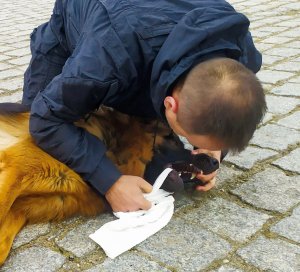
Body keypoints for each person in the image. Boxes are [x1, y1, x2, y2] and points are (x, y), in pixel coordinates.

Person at [22, 0, 266, 212]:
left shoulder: (241, 52)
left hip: (139, 27)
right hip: (86, 13)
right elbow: (45, 118)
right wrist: (110, 183)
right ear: (170, 105)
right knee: (31, 124)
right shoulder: (105, 59)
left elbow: (224, 108)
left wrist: (212, 149)